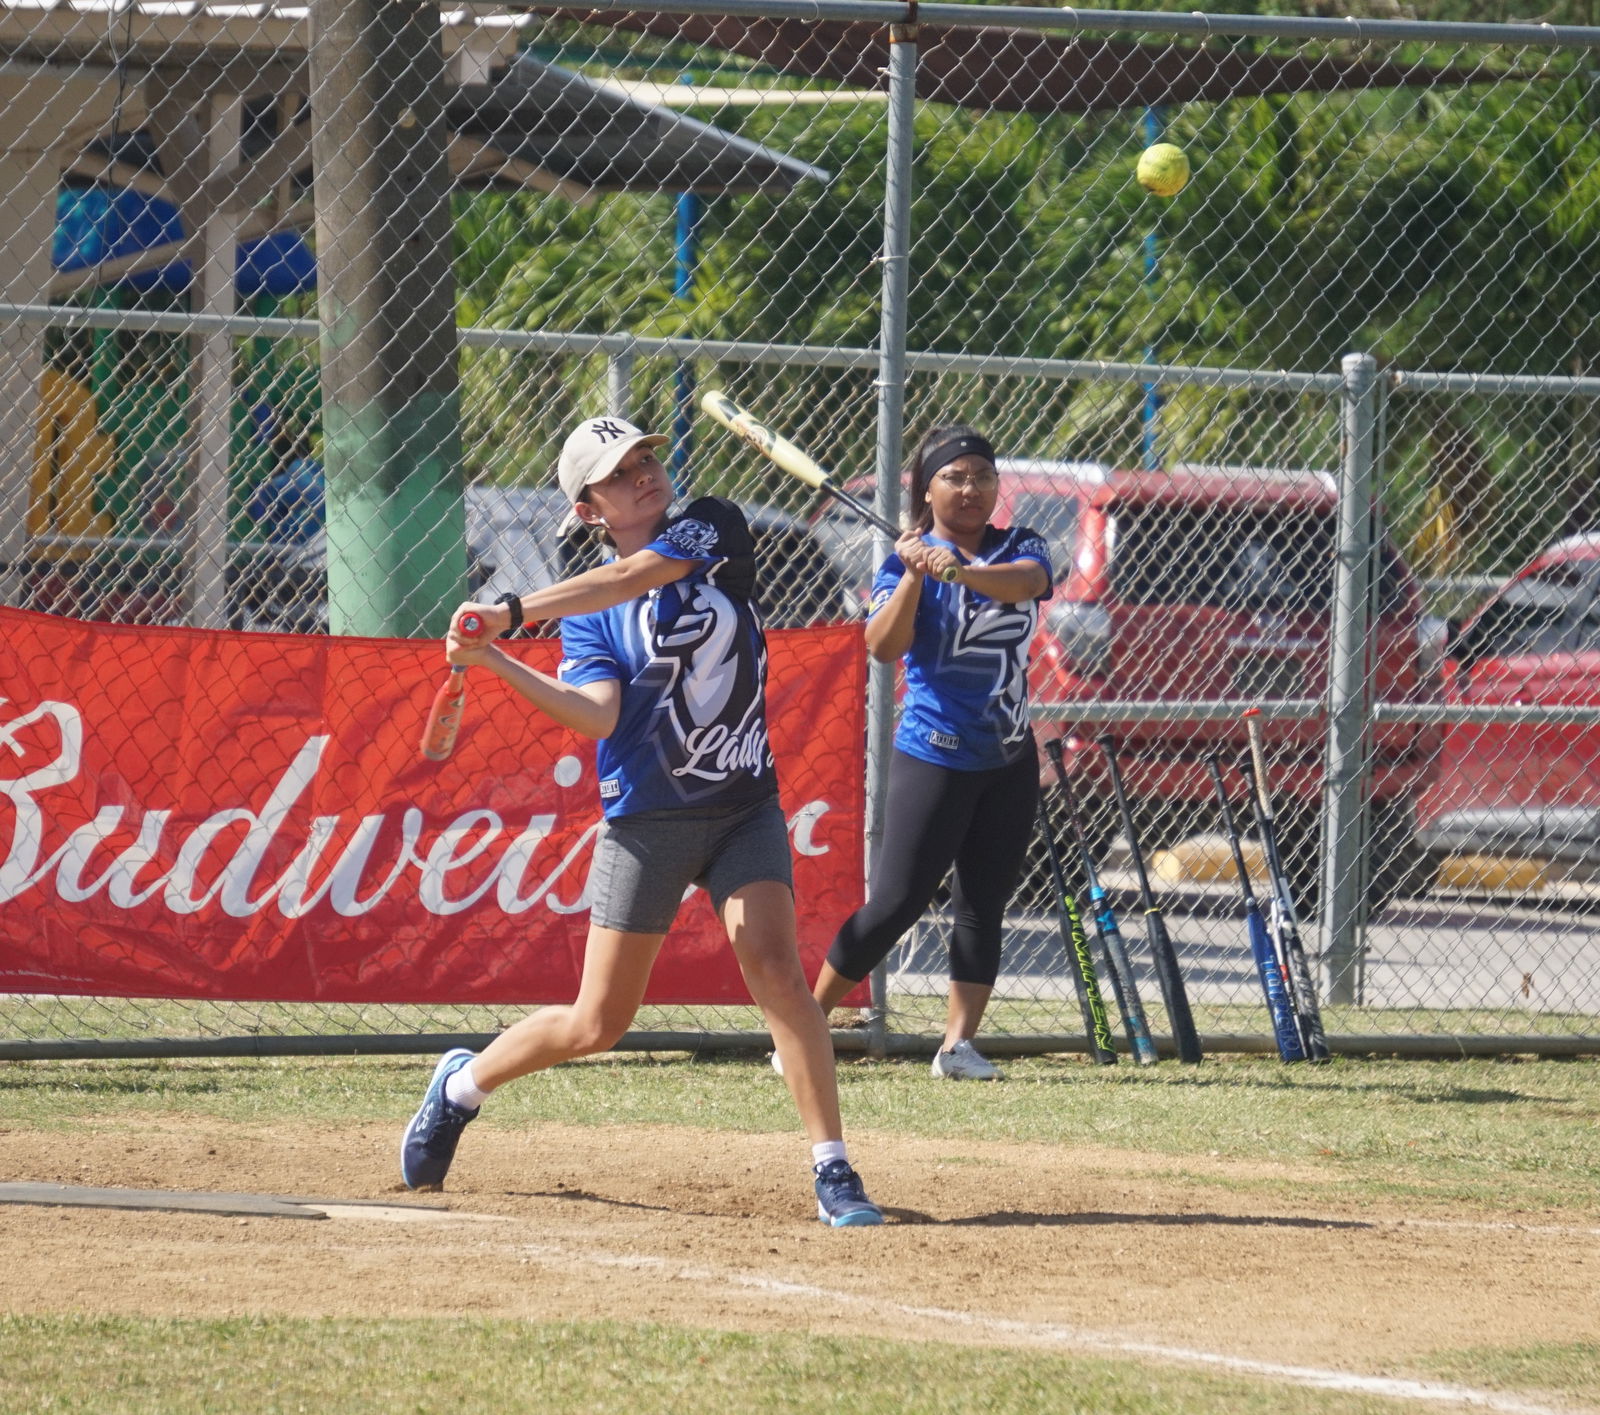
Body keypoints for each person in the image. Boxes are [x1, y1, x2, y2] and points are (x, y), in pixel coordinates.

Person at [400, 415, 883, 1227]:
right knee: (598, 1022)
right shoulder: (589, 616)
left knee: (775, 969)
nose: (642, 475)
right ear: (588, 508)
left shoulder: (713, 527)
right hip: (649, 817)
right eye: (618, 473)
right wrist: (496, 658)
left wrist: (508, 610)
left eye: (645, 459)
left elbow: (639, 576)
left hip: (741, 804)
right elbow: (595, 715)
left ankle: (833, 1169)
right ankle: (459, 1085)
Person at [806, 424, 1052, 1080]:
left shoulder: (1018, 546)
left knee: (983, 903)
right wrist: (916, 573)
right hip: (935, 752)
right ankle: (806, 1027)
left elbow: (1026, 582)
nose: (971, 488)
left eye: (982, 475)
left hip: (1009, 755)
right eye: (955, 476)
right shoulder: (899, 562)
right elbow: (882, 646)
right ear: (927, 488)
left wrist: (963, 568)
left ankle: (957, 1045)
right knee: (896, 902)